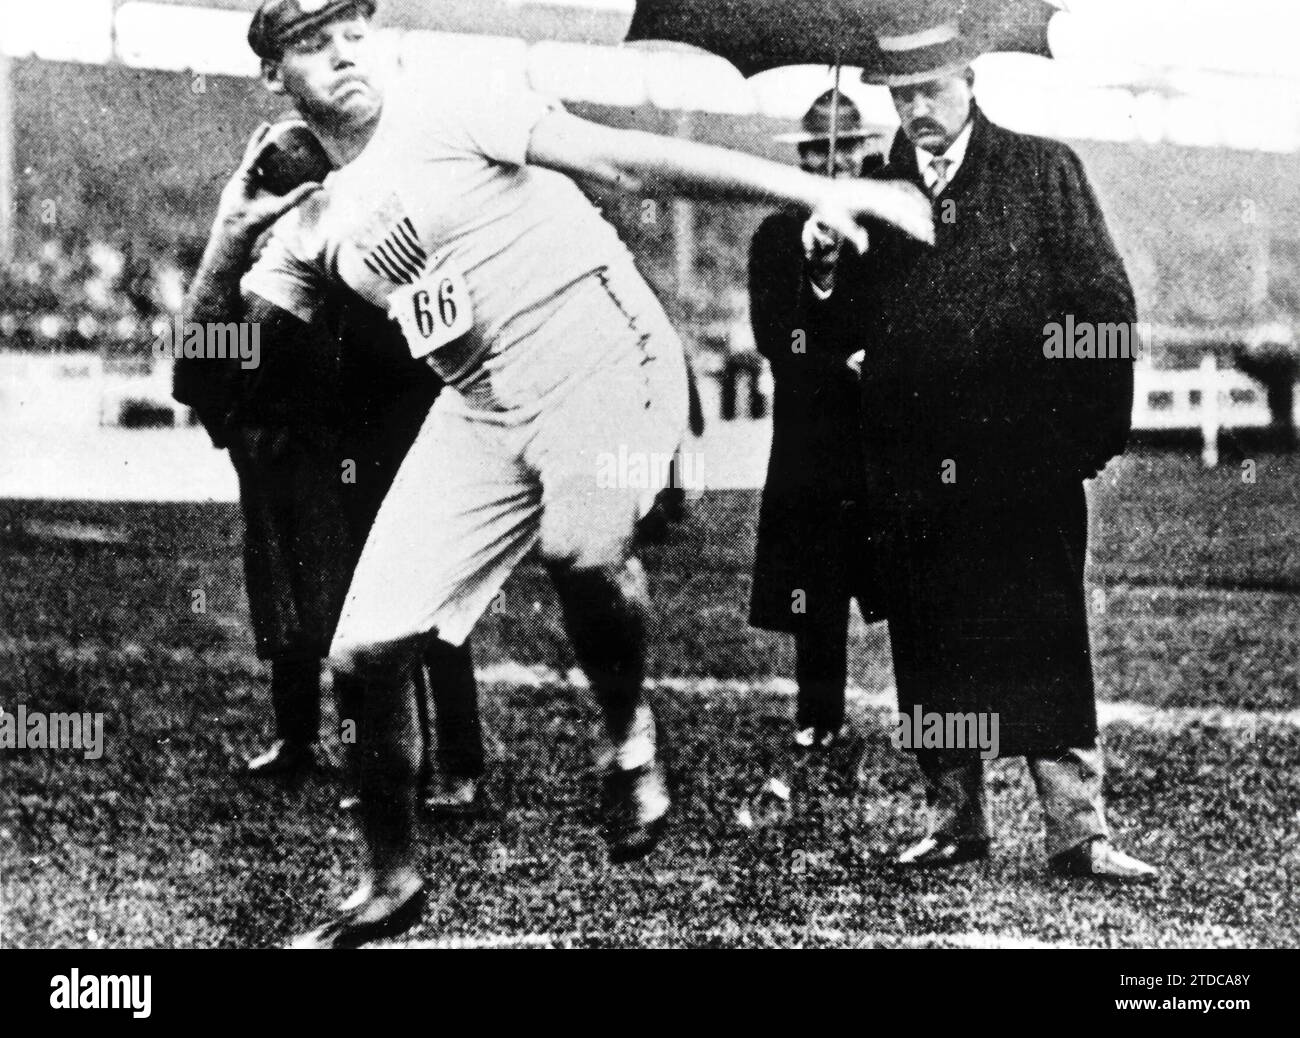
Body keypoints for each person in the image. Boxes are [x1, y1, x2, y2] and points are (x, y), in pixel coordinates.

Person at [185, 0, 933, 948]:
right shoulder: (307, 221)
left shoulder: (452, 100)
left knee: (581, 547)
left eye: (351, 29)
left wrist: (822, 192)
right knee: (365, 654)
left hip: (599, 346)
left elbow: (623, 158)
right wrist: (228, 229)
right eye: (309, 42)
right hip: (478, 404)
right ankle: (390, 882)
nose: (340, 54)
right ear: (273, 76)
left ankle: (629, 744)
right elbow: (207, 367)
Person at [805, 4, 1158, 882]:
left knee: (1043, 631)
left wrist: (1086, 435)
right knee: (929, 639)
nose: (918, 108)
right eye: (902, 93)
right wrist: (823, 263)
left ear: (970, 83)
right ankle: (955, 819)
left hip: (1023, 460)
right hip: (915, 465)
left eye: (933, 88)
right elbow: (841, 337)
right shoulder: (873, 195)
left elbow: (1104, 309)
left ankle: (1079, 830)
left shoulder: (1043, 172)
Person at [173, 122, 485, 813]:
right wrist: (236, 429)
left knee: (408, 613)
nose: (271, 177)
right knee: (286, 599)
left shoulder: (362, 243)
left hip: (367, 454)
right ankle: (301, 741)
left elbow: (415, 353)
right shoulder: (262, 252)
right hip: (286, 456)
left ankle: (453, 766)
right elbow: (203, 369)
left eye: (281, 167)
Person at [749, 90, 886, 751]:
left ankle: (941, 725)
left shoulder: (889, 230)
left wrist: (877, 357)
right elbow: (778, 341)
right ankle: (819, 715)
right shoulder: (777, 238)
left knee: (912, 577)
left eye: (845, 151)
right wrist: (820, 274)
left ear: (863, 155)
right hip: (813, 441)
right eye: (817, 153)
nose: (833, 163)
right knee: (817, 586)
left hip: (887, 435)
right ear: (800, 160)